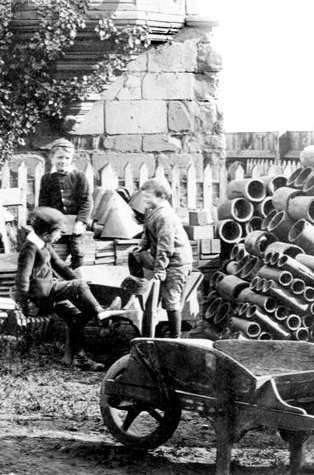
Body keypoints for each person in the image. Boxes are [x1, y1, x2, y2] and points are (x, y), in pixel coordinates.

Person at [15, 207, 117, 371]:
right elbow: (22, 279)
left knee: (76, 316)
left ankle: (75, 358)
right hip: (41, 294)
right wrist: (24, 305)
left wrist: (78, 279)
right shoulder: (30, 248)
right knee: (79, 286)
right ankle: (101, 311)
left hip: (48, 290)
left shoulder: (45, 244)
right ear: (47, 233)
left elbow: (60, 265)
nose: (61, 236)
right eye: (59, 233)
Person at [128, 179, 193, 338]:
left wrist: (160, 270)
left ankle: (175, 338)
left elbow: (166, 246)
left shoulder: (165, 216)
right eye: (143, 197)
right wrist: (142, 246)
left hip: (176, 262)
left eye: (148, 197)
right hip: (165, 259)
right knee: (133, 254)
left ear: (162, 196)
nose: (145, 200)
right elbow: (147, 233)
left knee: (171, 300)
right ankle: (149, 331)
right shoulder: (152, 210)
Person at [37, 139, 91, 268]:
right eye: (59, 157)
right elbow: (44, 204)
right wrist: (51, 225)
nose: (63, 161)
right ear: (52, 158)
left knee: (77, 249)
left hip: (75, 222)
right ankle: (55, 275)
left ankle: (77, 274)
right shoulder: (47, 179)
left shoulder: (79, 177)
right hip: (56, 222)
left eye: (67, 158)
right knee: (48, 249)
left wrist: (81, 222)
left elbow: (86, 201)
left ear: (71, 159)